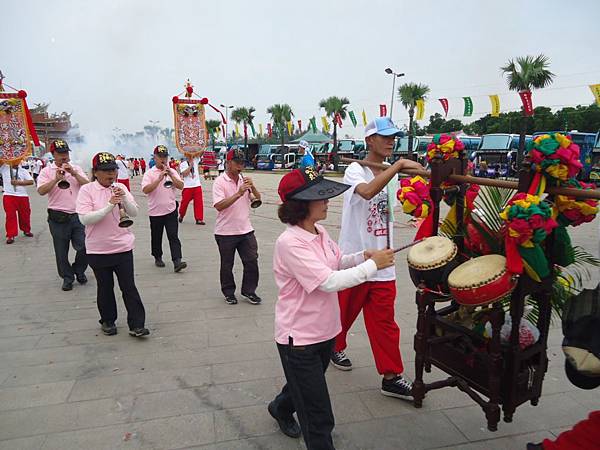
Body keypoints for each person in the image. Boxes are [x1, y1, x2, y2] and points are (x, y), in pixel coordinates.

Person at [269, 166, 396, 449]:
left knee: (303, 387)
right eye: (320, 197)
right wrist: (373, 266)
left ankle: (280, 407)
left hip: (325, 332)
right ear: (300, 204)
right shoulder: (290, 243)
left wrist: (364, 255)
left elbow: (337, 261)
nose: (327, 201)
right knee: (318, 416)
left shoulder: (319, 231)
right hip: (298, 340)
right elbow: (328, 281)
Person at [331, 117, 425, 400]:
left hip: (384, 261)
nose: (390, 141)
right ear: (369, 139)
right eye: (385, 137)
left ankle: (391, 376)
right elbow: (367, 192)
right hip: (356, 260)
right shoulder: (354, 169)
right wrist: (397, 165)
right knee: (342, 316)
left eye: (393, 137)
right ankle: (334, 346)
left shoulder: (390, 173)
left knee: (385, 323)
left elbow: (397, 206)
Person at [76, 152, 149, 338]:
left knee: (129, 286)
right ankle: (108, 321)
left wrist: (123, 198)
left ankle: (137, 324)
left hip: (123, 246)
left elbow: (133, 213)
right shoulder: (87, 190)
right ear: (95, 172)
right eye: (106, 170)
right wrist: (109, 205)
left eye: (113, 170)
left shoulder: (120, 187)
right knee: (105, 286)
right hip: (98, 249)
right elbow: (85, 219)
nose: (111, 174)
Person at [37, 139, 89, 291]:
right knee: (61, 251)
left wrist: (73, 172)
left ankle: (79, 270)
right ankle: (67, 277)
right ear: (53, 154)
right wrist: (55, 179)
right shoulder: (46, 171)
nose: (64, 156)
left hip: (78, 215)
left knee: (84, 247)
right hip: (58, 217)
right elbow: (41, 191)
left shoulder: (76, 168)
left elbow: (87, 185)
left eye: (66, 153)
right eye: (60, 154)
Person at [212, 148, 262, 305]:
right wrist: (238, 193)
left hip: (246, 229)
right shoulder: (219, 182)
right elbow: (219, 205)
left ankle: (249, 291)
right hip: (225, 232)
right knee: (227, 264)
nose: (240, 166)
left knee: (252, 261)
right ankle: (228, 292)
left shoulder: (243, 180)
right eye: (237, 163)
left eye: (242, 163)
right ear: (228, 163)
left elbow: (258, 200)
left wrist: (252, 188)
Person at [141, 145, 187, 272]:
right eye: (160, 157)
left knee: (173, 236)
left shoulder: (172, 171)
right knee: (156, 236)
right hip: (155, 211)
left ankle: (177, 260)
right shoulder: (149, 174)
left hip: (171, 209)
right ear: (155, 157)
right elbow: (145, 190)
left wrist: (171, 175)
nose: (163, 159)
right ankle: (157, 256)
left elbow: (181, 186)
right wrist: (159, 179)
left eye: (165, 157)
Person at [1, 161, 34, 244]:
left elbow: (31, 181)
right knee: (10, 215)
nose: (16, 161)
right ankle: (10, 235)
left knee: (25, 214)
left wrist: (19, 182)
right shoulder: (4, 168)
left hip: (22, 195)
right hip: (9, 195)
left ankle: (26, 230)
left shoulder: (23, 171)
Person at [178, 153, 205, 225]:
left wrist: (204, 143)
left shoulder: (196, 160)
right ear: (186, 155)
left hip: (197, 185)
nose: (191, 155)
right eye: (188, 154)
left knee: (199, 202)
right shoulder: (183, 164)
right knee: (184, 203)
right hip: (187, 186)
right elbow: (184, 174)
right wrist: (190, 166)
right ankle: (181, 215)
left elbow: (201, 152)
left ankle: (199, 219)